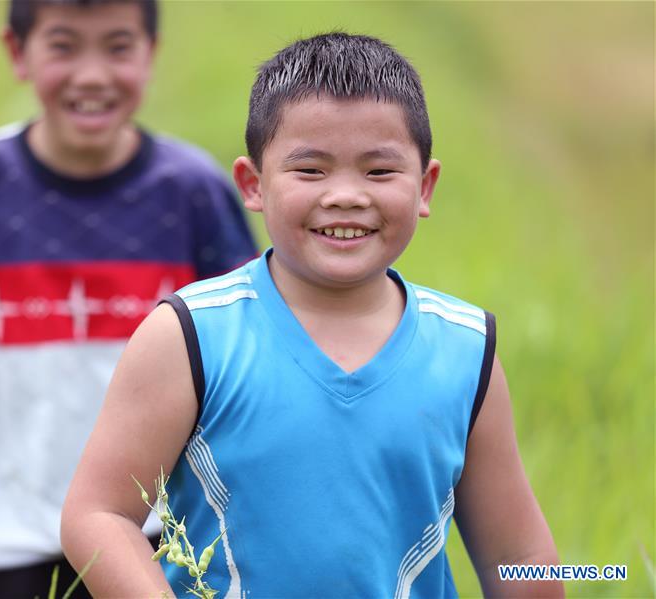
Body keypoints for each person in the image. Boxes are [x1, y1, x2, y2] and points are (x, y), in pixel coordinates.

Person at [61, 32, 563, 597]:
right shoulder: (191, 335)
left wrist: (600, 575)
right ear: (253, 185)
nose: (346, 195)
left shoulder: (467, 350)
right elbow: (99, 513)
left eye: (378, 172)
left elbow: (519, 555)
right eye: (310, 171)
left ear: (425, 187)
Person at [0, 0, 257, 597]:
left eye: (118, 47)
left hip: (164, 547)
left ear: (151, 54)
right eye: (63, 46)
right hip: (10, 545)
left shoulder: (196, 193)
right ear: (18, 53)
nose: (92, 76)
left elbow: (244, 373)